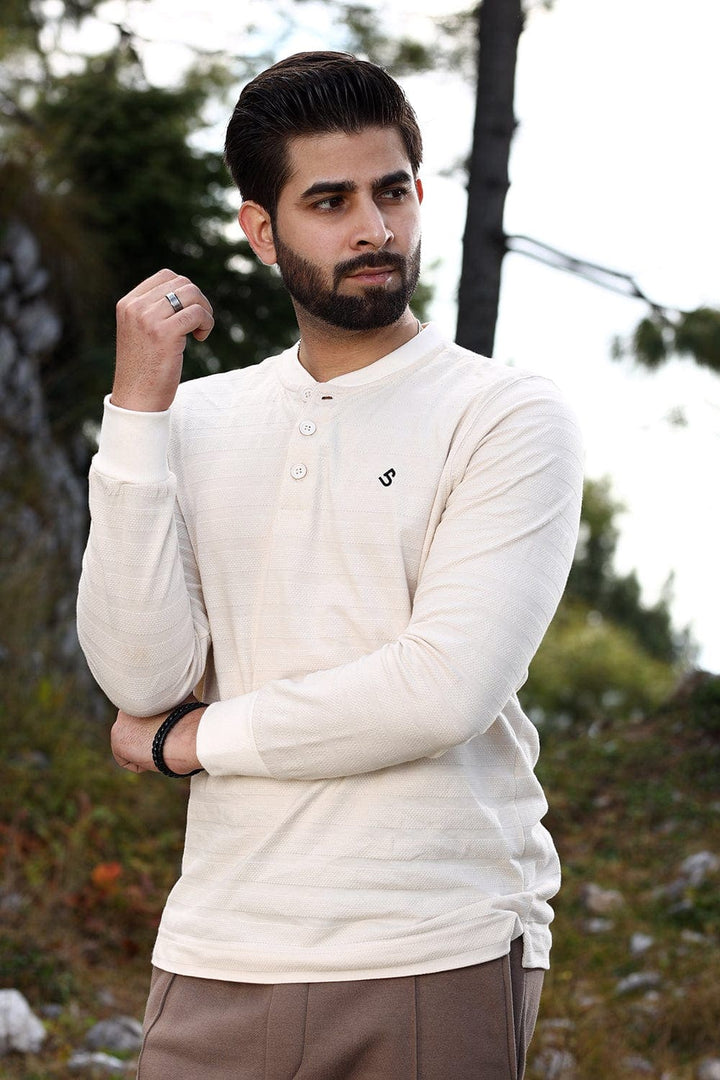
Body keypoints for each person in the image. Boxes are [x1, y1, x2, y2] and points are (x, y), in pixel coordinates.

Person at [76, 51, 583, 1080]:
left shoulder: (505, 415)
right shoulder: (196, 419)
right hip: (217, 947)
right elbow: (139, 678)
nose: (374, 230)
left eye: (392, 191)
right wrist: (138, 413)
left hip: (433, 939)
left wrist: (191, 744)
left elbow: (442, 689)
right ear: (261, 227)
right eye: (330, 200)